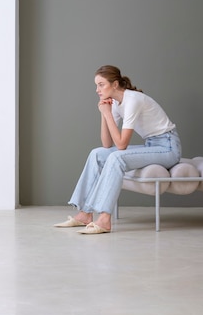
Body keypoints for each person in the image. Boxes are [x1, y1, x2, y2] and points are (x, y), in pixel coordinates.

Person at [54, 65, 181, 234]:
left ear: (114, 84)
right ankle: (85, 213)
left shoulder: (133, 100)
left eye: (101, 85)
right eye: (96, 85)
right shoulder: (115, 102)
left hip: (168, 148)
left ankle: (105, 219)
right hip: (151, 145)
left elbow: (121, 145)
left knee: (116, 157)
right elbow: (107, 144)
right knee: (97, 153)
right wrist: (103, 113)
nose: (97, 90)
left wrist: (107, 113)